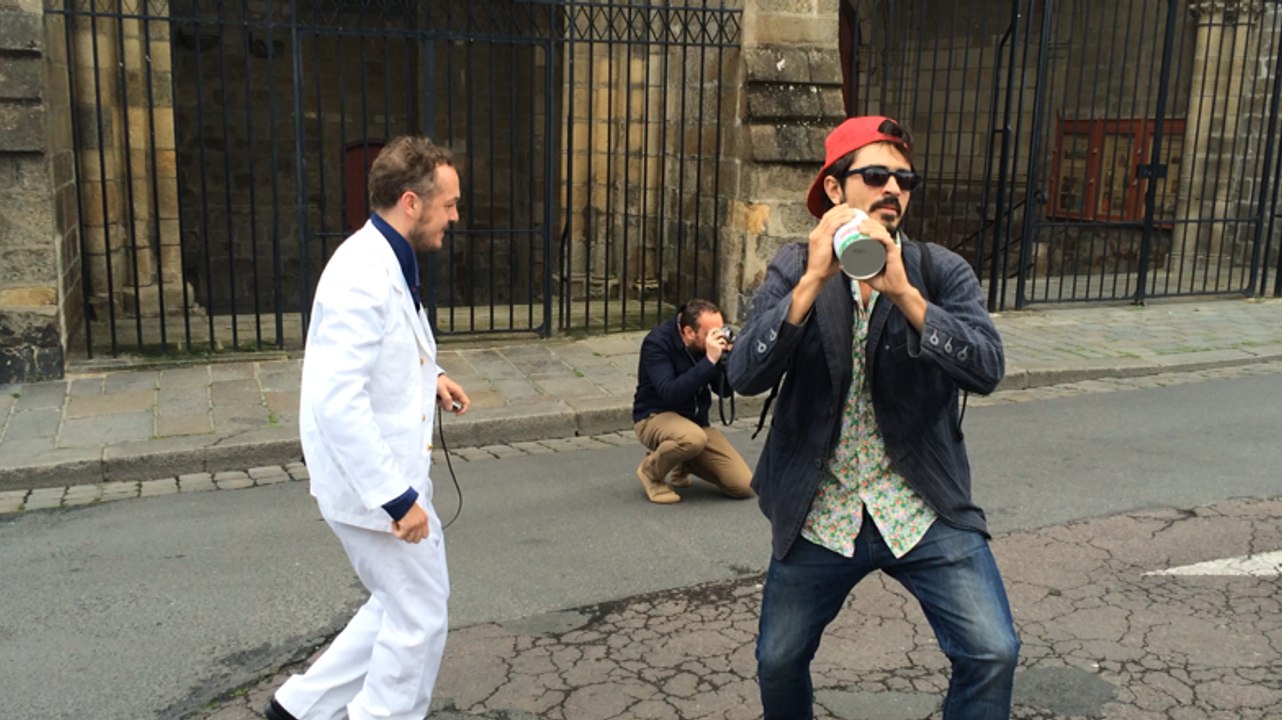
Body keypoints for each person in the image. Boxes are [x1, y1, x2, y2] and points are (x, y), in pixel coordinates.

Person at [726, 116, 1019, 719]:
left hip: (920, 504)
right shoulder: (793, 266)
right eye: (877, 174)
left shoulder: (939, 270)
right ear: (835, 189)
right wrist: (810, 283)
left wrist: (906, 295)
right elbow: (744, 377)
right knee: (777, 661)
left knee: (993, 650)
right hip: (821, 509)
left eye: (904, 179)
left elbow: (987, 368)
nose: (893, 189)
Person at [265, 136, 471, 720]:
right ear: (412, 201)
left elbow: (380, 349)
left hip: (386, 477)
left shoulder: (387, 253)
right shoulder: (361, 271)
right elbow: (336, 399)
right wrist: (396, 499)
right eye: (449, 204)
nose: (455, 216)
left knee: (398, 601)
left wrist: (429, 374)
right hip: (374, 487)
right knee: (420, 615)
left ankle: (299, 707)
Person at [631, 299, 754, 504]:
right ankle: (650, 472)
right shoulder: (657, 343)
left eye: (720, 330)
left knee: (743, 486)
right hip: (654, 417)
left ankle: (684, 461)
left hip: (695, 424)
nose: (717, 338)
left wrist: (728, 361)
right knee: (692, 438)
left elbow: (722, 392)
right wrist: (709, 361)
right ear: (689, 332)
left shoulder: (706, 347)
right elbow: (670, 393)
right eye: (710, 333)